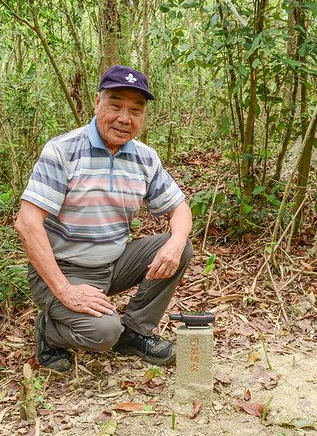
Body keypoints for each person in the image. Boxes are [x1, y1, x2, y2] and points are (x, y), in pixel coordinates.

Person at [15, 65, 193, 372]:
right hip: (63, 269)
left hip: (112, 264)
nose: (125, 118)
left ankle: (136, 332)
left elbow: (180, 209)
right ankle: (49, 331)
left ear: (143, 117)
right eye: (116, 106)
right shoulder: (63, 152)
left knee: (181, 245)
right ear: (97, 103)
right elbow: (27, 223)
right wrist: (65, 290)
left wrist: (176, 242)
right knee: (103, 333)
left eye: (135, 110)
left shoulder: (144, 157)